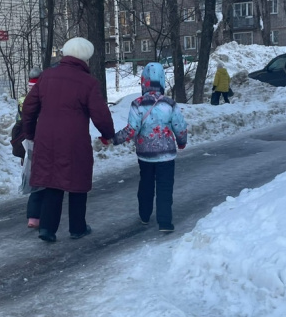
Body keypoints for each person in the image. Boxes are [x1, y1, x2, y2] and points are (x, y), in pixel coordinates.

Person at [21, 37, 115, 242]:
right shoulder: (88, 83)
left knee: (52, 182)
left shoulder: (47, 76)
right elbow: (101, 114)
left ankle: (47, 228)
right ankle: (77, 227)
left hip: (46, 139)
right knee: (77, 183)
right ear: (85, 58)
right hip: (74, 141)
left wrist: (30, 133)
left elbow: (28, 107)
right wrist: (108, 134)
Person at [105, 62, 188, 233]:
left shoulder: (137, 104)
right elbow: (179, 125)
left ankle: (144, 215)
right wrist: (181, 141)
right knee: (165, 187)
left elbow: (132, 130)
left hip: (145, 155)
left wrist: (114, 139)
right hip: (166, 156)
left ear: (144, 81)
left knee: (146, 184)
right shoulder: (169, 104)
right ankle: (165, 222)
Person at [11, 68, 43, 228]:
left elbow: (19, 122)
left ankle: (32, 216)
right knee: (45, 180)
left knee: (33, 178)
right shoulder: (44, 98)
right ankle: (40, 215)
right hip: (42, 142)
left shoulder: (23, 100)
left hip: (27, 143)